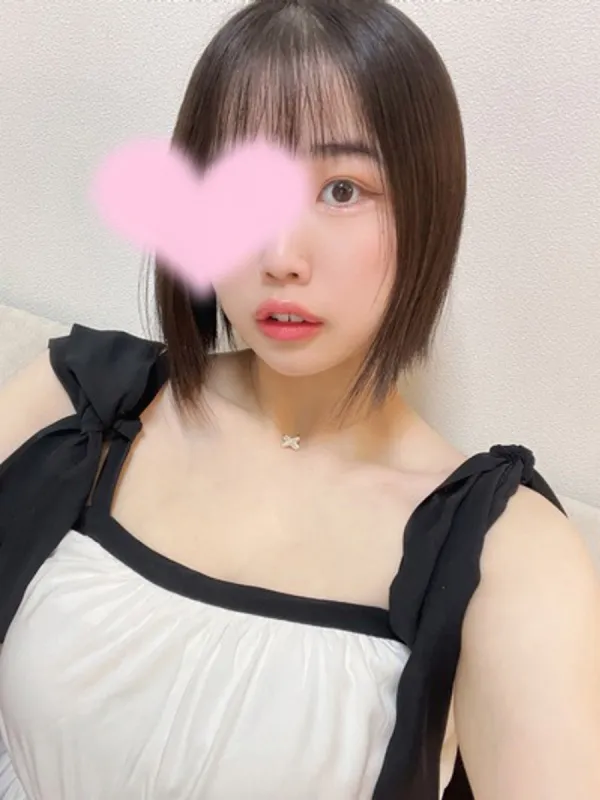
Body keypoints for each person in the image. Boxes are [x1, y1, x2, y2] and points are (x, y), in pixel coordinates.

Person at [1, 1, 599, 798]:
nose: (281, 254)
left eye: (343, 189)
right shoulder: (76, 401)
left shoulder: (506, 553)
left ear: (429, 209)